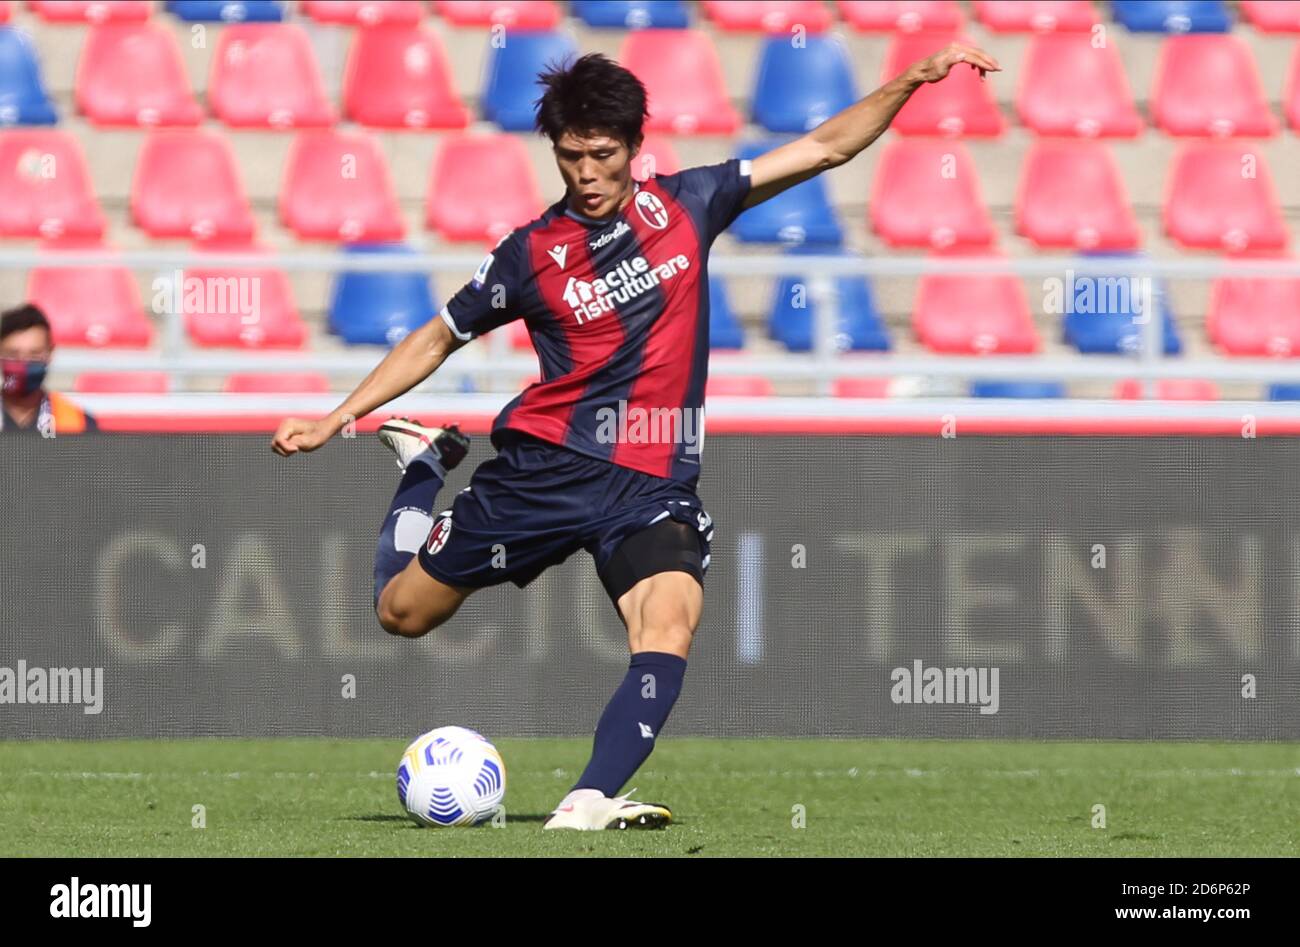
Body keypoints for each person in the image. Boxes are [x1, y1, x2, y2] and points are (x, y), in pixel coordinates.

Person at [272, 46, 999, 829]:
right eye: (570, 156)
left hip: (651, 483)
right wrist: (338, 416)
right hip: (545, 470)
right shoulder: (530, 255)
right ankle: (423, 463)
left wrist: (908, 81)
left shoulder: (692, 204)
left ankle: (585, 800)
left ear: (634, 148)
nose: (586, 172)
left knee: (671, 619)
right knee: (400, 613)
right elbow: (436, 336)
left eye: (603, 155)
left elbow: (827, 146)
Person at [1, 304, 97, 435]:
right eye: (13, 354)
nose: (23, 363)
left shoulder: (80, 423)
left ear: (50, 353)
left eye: (34, 354)